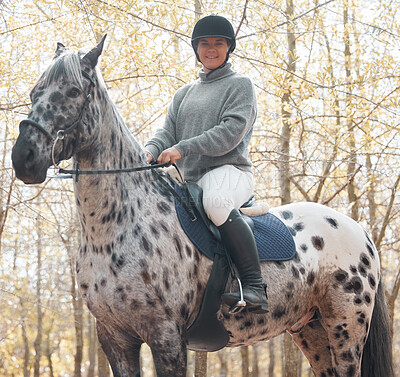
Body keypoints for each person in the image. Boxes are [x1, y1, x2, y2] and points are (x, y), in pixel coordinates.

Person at [145, 15, 268, 313]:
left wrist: (182, 149)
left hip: (230, 173)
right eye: (205, 44)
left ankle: (255, 286)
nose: (211, 49)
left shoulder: (240, 85)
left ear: (229, 48)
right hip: (190, 182)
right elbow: (167, 132)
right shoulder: (184, 93)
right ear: (196, 49)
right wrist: (149, 151)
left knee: (215, 201)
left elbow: (229, 134)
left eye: (218, 43)